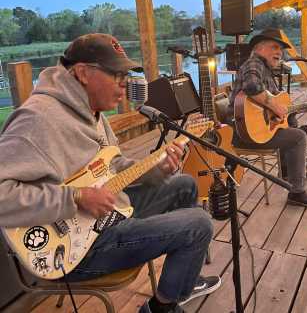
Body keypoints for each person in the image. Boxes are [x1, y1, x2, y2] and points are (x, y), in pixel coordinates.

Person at [0, 33, 220, 313]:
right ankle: (161, 308)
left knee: (184, 184)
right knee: (198, 224)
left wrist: (159, 168)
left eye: (126, 75)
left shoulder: (93, 112)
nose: (125, 84)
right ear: (82, 73)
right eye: (117, 75)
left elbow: (114, 169)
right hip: (75, 250)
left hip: (105, 217)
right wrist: (76, 198)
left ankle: (180, 281)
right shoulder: (38, 120)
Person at [229, 28, 307, 208]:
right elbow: (251, 86)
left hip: (253, 131)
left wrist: (306, 106)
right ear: (259, 48)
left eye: (281, 50)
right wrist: (274, 106)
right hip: (245, 134)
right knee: (298, 137)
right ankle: (297, 192)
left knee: (291, 124)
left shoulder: (266, 71)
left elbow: (282, 109)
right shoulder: (254, 64)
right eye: (274, 47)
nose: (279, 53)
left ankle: (288, 173)